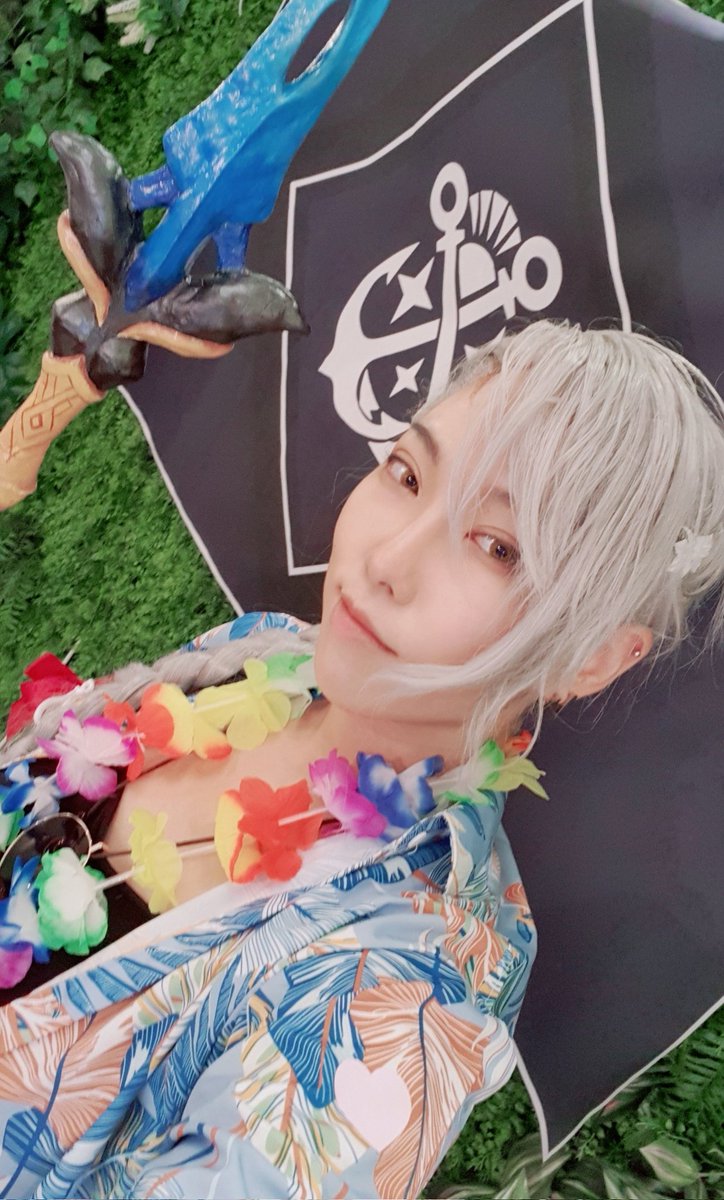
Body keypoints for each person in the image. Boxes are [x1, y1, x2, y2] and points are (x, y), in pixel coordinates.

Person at [0, 319, 721, 1200]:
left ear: (593, 658)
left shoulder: (399, 1005)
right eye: (408, 473)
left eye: (498, 548)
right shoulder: (268, 651)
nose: (386, 559)